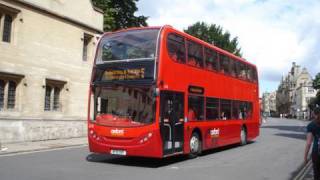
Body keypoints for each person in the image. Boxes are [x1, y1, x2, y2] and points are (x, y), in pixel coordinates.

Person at [304, 107, 320, 180]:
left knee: (316, 174)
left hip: (317, 153)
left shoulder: (311, 125)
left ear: (313, 114)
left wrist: (305, 157)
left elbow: (309, 143)